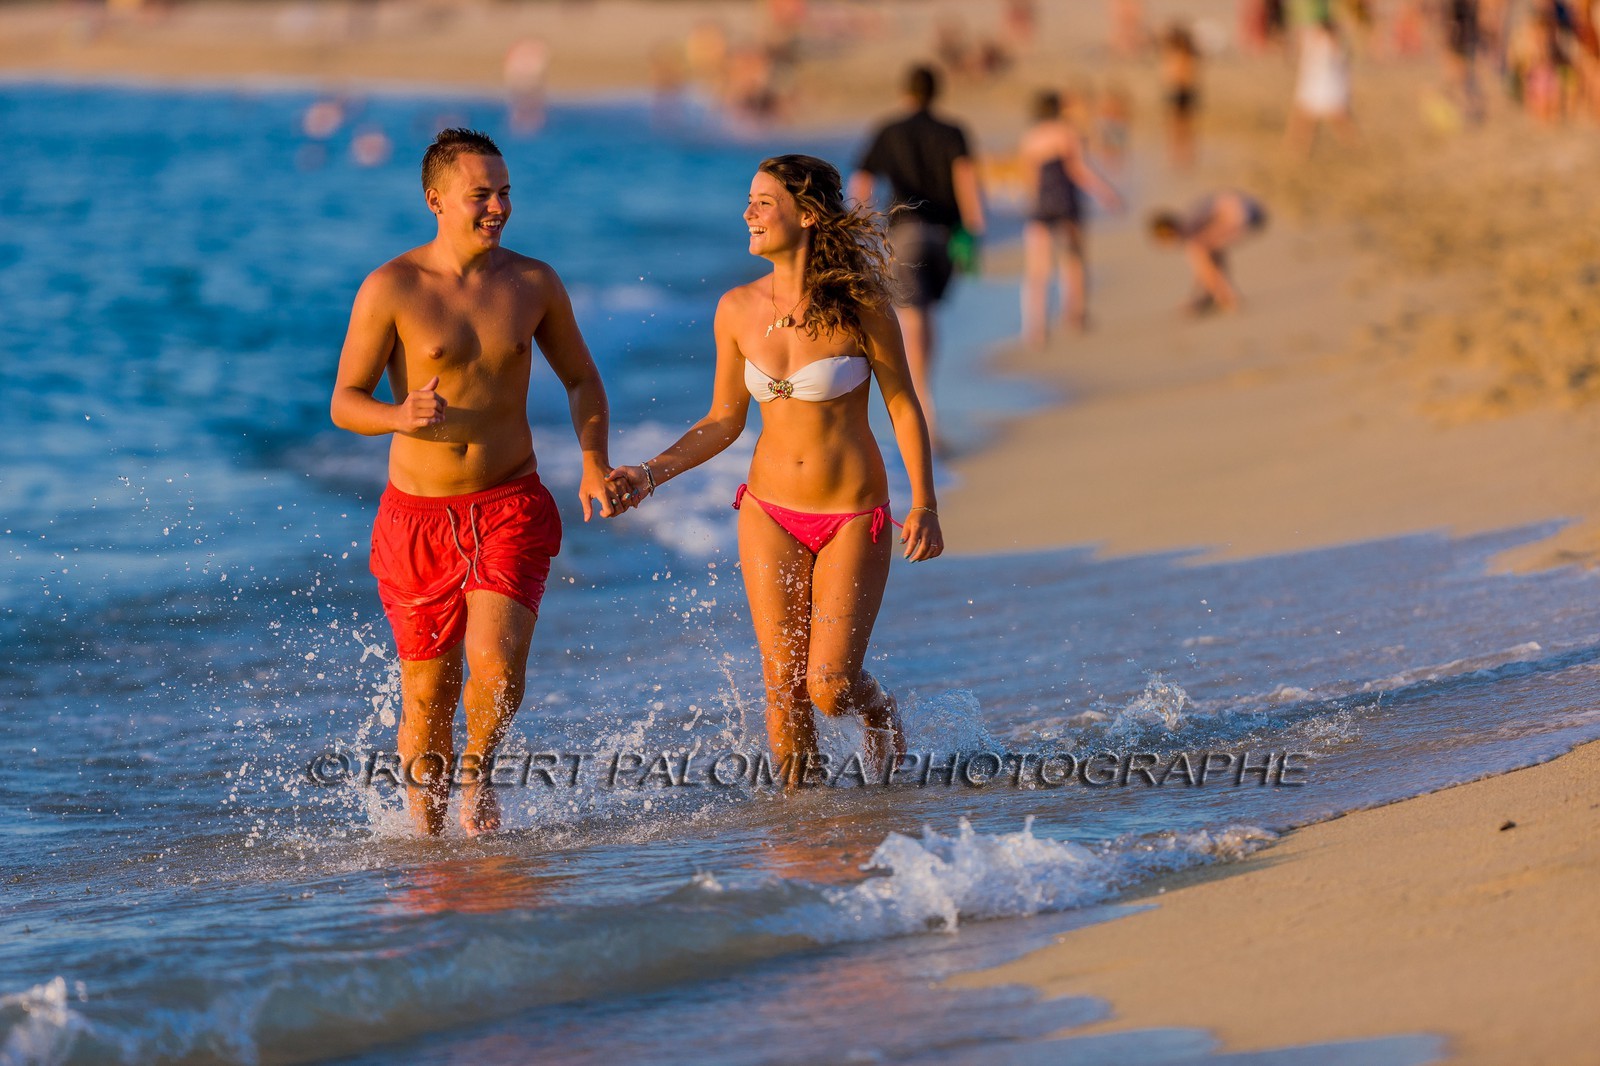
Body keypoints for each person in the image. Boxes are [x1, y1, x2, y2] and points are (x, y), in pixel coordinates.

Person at [330, 128, 623, 836]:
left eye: (504, 193)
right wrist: (398, 414)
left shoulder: (532, 284)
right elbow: (344, 400)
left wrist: (593, 461)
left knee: (493, 666)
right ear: (436, 200)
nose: (498, 207)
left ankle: (479, 779)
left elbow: (582, 379)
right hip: (417, 519)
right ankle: (425, 837)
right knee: (428, 695)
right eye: (481, 194)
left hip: (509, 502)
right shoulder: (392, 287)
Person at [609, 154, 942, 775]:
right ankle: (804, 837)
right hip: (768, 512)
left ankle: (879, 712)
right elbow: (723, 420)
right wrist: (647, 474)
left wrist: (923, 502)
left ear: (808, 214)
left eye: (764, 202)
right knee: (783, 690)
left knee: (830, 686)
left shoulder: (861, 306)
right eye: (750, 200)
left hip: (850, 516)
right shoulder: (735, 309)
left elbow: (902, 405)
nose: (748, 213)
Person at [849, 64, 985, 452]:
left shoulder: (888, 130)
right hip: (946, 235)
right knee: (925, 315)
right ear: (936, 91)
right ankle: (926, 402)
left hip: (904, 233)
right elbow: (966, 177)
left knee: (914, 316)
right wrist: (974, 228)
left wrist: (863, 227)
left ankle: (921, 405)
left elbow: (862, 179)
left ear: (904, 91)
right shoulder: (953, 130)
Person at [1017, 89, 1123, 347]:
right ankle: (1073, 314)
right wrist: (1107, 193)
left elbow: (1029, 178)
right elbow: (1079, 169)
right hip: (1065, 204)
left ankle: (1035, 328)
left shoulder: (1030, 138)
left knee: (1037, 272)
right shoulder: (1067, 133)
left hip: (1040, 207)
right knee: (1073, 261)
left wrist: (1030, 205)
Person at [1148, 191, 1268, 314]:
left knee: (1199, 250)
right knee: (1206, 251)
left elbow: (1204, 264)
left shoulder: (1191, 228)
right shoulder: (1192, 225)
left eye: (1166, 240)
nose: (1169, 246)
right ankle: (1215, 294)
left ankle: (1224, 296)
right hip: (1247, 211)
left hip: (1247, 215)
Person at [1286, 17, 1358, 158]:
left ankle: (1296, 151)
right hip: (1319, 88)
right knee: (1307, 122)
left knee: (1333, 121)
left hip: (1324, 88)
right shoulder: (1319, 40)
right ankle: (1297, 151)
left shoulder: (1328, 42)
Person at [1159, 23, 1202, 170]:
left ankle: (1181, 153)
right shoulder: (1182, 54)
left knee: (1180, 124)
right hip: (1180, 90)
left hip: (1180, 91)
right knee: (1179, 124)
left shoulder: (1181, 54)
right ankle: (1181, 153)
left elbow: (1184, 75)